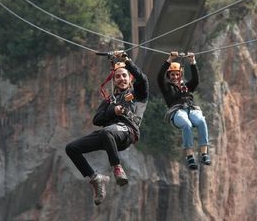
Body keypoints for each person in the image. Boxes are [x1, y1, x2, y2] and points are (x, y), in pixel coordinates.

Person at [65, 51, 149, 205]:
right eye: (118, 76)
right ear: (114, 80)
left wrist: (127, 62)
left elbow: (143, 80)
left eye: (124, 75)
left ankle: (117, 168)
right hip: (108, 134)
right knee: (71, 148)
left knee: (107, 131)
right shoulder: (109, 100)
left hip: (128, 132)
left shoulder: (137, 94)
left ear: (129, 77)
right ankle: (95, 178)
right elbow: (97, 119)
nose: (121, 79)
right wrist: (112, 110)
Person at [157, 51, 211, 170]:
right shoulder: (166, 87)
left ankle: (204, 153)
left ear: (180, 75)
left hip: (191, 109)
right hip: (177, 112)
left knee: (201, 121)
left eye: (177, 74)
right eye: (172, 75)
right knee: (186, 124)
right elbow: (160, 76)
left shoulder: (186, 87)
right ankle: (190, 156)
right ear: (169, 76)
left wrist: (192, 62)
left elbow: (196, 80)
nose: (175, 77)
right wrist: (169, 59)